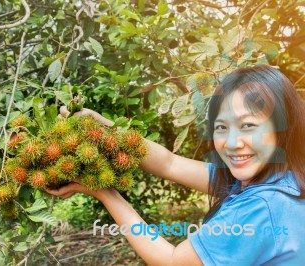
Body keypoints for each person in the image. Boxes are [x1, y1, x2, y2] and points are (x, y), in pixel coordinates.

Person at [46, 65, 305, 265]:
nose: (233, 143)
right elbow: (169, 164)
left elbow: (172, 261)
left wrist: (103, 192)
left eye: (248, 125)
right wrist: (105, 129)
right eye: (222, 127)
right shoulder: (285, 178)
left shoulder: (261, 207)